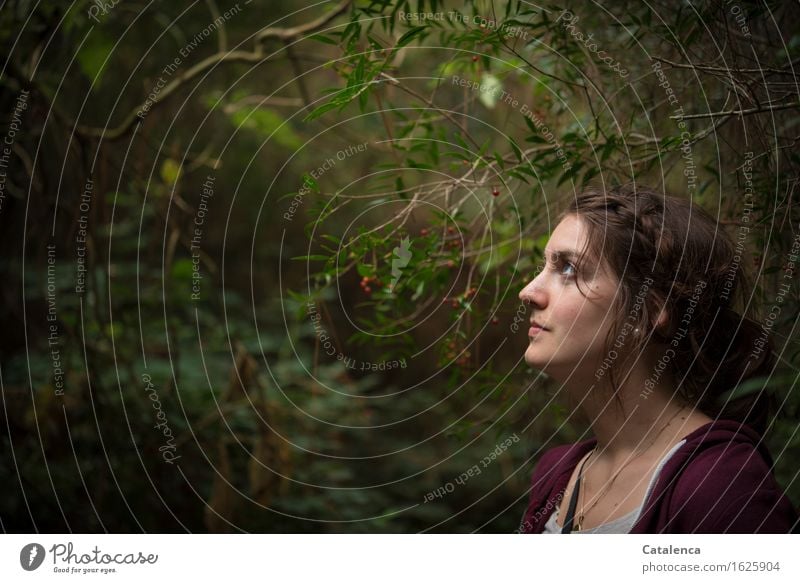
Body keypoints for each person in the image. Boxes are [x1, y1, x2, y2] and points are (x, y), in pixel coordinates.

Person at [516, 183, 798, 534]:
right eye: (543, 267)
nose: (528, 292)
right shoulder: (555, 475)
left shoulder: (723, 487)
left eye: (569, 270)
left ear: (646, 312)